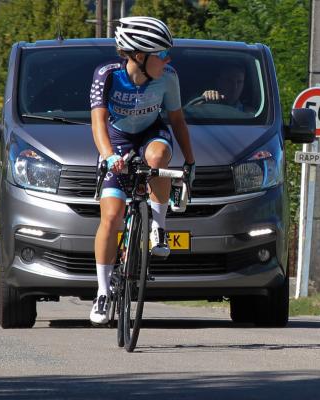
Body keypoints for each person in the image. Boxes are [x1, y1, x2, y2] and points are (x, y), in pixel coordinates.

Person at [89, 16, 195, 325]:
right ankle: (103, 291)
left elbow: (177, 121)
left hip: (151, 133)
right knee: (111, 217)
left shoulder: (168, 77)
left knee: (159, 156)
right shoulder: (107, 75)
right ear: (138, 55)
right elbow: (98, 122)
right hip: (118, 141)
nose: (167, 59)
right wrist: (109, 157)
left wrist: (189, 162)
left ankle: (157, 226)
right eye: (161, 54)